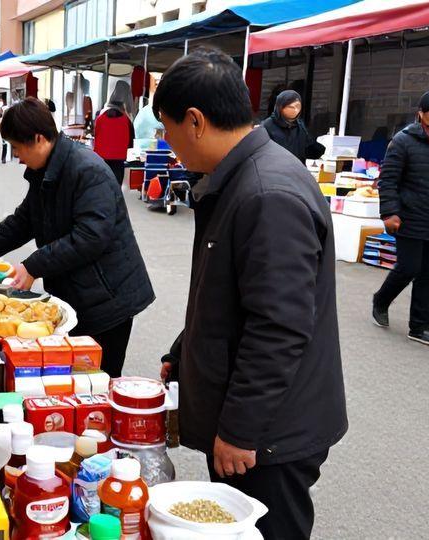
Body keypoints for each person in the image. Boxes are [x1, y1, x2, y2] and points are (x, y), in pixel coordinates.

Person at [154, 49, 347, 539]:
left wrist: (240, 429)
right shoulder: (238, 179)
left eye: (168, 130)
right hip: (260, 420)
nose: (169, 144)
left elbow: (278, 327)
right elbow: (227, 294)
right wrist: (183, 352)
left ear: (194, 121)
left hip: (272, 432)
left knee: (267, 530)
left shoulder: (267, 193)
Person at [0, 98, 155, 377]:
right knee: (69, 381)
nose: (18, 157)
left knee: (96, 382)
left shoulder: (87, 170)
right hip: (78, 293)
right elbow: (22, 222)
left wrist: (33, 266)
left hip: (108, 300)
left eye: (18, 148)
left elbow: (91, 236)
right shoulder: (44, 171)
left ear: (39, 139)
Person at [372, 90, 429, 347]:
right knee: (409, 267)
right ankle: (381, 299)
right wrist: (389, 212)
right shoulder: (403, 141)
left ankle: (420, 326)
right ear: (421, 114)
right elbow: (388, 180)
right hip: (410, 216)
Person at [261, 90, 325, 163]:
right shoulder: (267, 126)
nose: (295, 110)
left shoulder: (300, 126)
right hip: (275, 171)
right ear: (280, 107)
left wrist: (324, 149)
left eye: (298, 106)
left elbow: (308, 148)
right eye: (290, 107)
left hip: (296, 171)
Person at [93, 100, 135, 183]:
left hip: (101, 159)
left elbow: (95, 137)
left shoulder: (100, 119)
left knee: (102, 184)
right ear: (122, 108)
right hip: (119, 159)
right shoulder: (126, 120)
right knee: (117, 184)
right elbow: (131, 143)